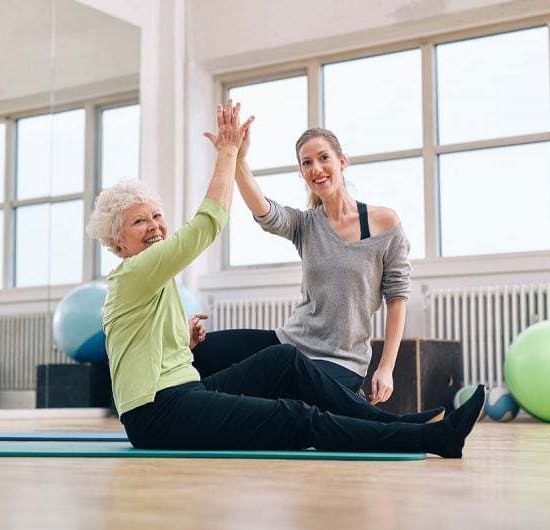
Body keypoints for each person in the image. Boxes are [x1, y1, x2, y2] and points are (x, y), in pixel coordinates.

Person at [86, 100, 484, 457]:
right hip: (158, 410)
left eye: (157, 215)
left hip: (186, 389)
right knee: (297, 417)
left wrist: (179, 338)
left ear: (342, 161)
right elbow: (212, 222)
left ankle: (408, 426)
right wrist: (230, 155)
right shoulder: (138, 270)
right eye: (139, 221)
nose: (155, 225)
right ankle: (429, 438)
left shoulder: (153, 276)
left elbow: (137, 337)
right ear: (118, 242)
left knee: (283, 361)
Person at [193, 125, 413, 407]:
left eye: (324, 158)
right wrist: (236, 157)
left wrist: (386, 368)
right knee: (199, 352)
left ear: (342, 162)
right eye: (306, 163)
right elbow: (265, 210)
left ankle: (348, 402)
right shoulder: (306, 225)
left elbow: (397, 298)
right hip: (289, 343)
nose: (316, 169)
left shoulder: (384, 222)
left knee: (277, 395)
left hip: (341, 362)